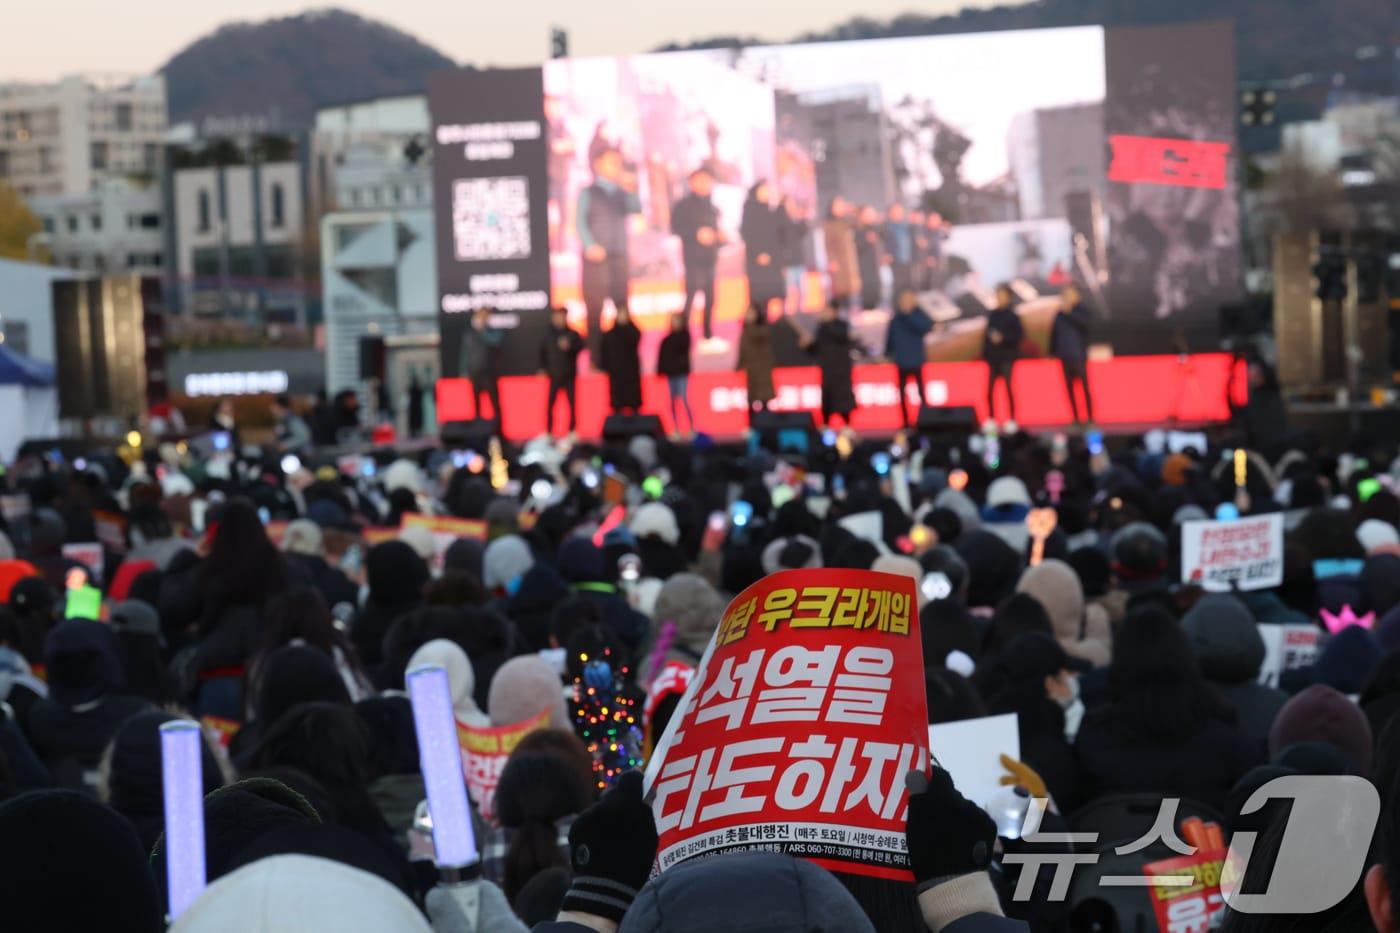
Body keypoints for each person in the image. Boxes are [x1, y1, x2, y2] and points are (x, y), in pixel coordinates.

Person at [1074, 606, 1247, 809]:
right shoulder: (1223, 736)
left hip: (1113, 839)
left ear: (1120, 662)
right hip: (1198, 839)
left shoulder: (1094, 734)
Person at [578, 145, 641, 359]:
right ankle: (596, 357)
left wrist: (632, 188)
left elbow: (636, 209)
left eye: (618, 162)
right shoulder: (589, 192)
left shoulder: (622, 192)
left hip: (618, 257)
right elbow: (580, 222)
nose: (616, 166)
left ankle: (625, 354)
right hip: (596, 259)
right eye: (611, 162)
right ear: (598, 165)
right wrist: (590, 245)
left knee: (621, 305)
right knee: (595, 309)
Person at [670, 168, 722, 342]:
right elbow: (676, 227)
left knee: (711, 298)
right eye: (700, 180)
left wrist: (718, 237)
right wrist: (697, 234)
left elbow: (717, 232)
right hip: (693, 259)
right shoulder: (683, 205)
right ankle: (681, 334)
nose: (704, 184)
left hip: (710, 259)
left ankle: (707, 334)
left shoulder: (713, 207)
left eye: (708, 180)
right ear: (691, 183)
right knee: (691, 297)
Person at [803, 301, 859, 428]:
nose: (823, 313)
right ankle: (826, 429)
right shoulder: (821, 328)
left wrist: (826, 323)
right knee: (827, 402)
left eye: (827, 310)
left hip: (841, 371)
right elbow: (816, 350)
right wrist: (807, 346)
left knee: (843, 402)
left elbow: (839, 335)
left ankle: (847, 429)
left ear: (834, 312)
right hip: (827, 370)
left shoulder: (842, 325)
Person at [885, 288, 933, 428]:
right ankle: (905, 422)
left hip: (916, 360)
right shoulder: (896, 319)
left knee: (921, 393)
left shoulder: (918, 315)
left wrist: (908, 315)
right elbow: (890, 338)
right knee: (901, 393)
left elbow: (925, 327)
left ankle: (926, 419)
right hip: (901, 361)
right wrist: (887, 353)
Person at [1049, 283, 1094, 425]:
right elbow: (1054, 333)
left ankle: (1090, 418)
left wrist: (1070, 313)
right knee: (1069, 387)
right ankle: (1075, 418)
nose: (1067, 297)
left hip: (1078, 355)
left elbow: (1086, 325)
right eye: (1065, 294)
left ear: (1077, 295)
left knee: (1084, 387)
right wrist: (1052, 350)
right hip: (1064, 355)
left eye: (1069, 294)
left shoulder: (1081, 310)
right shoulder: (1059, 313)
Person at [540, 307, 585, 438]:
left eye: (561, 316)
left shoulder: (573, 334)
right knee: (550, 405)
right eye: (556, 316)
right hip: (554, 375)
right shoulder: (548, 335)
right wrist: (543, 368)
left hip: (569, 375)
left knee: (572, 405)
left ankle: (572, 431)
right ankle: (548, 432)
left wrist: (570, 346)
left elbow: (581, 347)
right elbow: (542, 353)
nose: (559, 319)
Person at [740, 181, 784, 315]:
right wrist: (759, 253)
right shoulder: (749, 209)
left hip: (772, 259)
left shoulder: (770, 210)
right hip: (757, 259)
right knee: (758, 297)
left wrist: (781, 206)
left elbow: (779, 232)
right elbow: (746, 233)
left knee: (770, 296)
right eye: (764, 190)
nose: (767, 192)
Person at [983, 284, 1024, 427]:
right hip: (993, 359)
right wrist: (986, 355)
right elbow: (986, 337)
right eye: (998, 295)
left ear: (1008, 297)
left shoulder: (1013, 316)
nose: (1000, 298)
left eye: (1002, 295)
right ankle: (991, 419)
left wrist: (1003, 338)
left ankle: (1012, 420)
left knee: (1008, 389)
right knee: (989, 390)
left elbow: (1019, 336)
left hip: (1007, 358)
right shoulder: (992, 315)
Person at [460, 306, 505, 422]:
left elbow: (496, 342)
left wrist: (482, 331)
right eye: (480, 316)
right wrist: (464, 371)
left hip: (489, 373)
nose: (482, 319)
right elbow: (465, 354)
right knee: (476, 405)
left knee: (495, 405)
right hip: (475, 373)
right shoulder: (469, 334)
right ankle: (478, 434)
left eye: (485, 316)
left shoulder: (493, 332)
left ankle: (498, 434)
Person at [656, 313, 693, 438]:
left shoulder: (684, 336)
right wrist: (660, 370)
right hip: (671, 374)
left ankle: (691, 427)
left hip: (681, 373)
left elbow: (684, 348)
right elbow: (662, 357)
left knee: (683, 398)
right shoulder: (666, 340)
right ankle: (676, 428)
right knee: (672, 401)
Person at [737, 302, 776, 420]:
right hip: (750, 370)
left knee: (764, 400)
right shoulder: (745, 329)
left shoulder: (761, 329)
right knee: (750, 400)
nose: (748, 315)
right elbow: (743, 350)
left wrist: (749, 325)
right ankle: (752, 426)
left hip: (762, 370)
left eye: (751, 313)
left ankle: (766, 426)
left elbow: (759, 336)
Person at [601, 308, 643, 415]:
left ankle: (636, 419)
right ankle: (617, 420)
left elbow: (635, 338)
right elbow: (604, 351)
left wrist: (627, 326)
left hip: (631, 370)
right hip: (616, 371)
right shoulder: (610, 334)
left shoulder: (633, 331)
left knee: (633, 397)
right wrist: (604, 366)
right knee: (617, 399)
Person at [822, 196, 861, 310]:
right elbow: (828, 245)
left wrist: (853, 210)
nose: (841, 207)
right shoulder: (829, 224)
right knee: (840, 289)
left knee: (850, 289)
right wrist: (831, 260)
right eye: (838, 205)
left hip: (849, 260)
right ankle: (840, 313)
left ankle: (849, 312)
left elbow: (858, 224)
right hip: (838, 261)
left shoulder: (845, 221)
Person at [780, 196, 811, 316]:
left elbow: (803, 232)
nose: (792, 207)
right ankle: (787, 315)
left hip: (799, 261)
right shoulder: (780, 221)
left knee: (803, 291)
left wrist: (803, 218)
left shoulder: (795, 221)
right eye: (789, 204)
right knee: (788, 292)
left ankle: (801, 313)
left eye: (793, 204)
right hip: (787, 262)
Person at [855, 205, 884, 311]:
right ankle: (866, 309)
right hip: (863, 263)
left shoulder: (874, 228)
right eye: (868, 214)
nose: (871, 217)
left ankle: (874, 307)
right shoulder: (857, 228)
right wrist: (866, 240)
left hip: (874, 263)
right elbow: (855, 246)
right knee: (867, 287)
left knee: (876, 286)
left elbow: (883, 237)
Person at [883, 203, 915, 297]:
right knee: (897, 288)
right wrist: (886, 253)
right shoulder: (886, 227)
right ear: (890, 213)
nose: (900, 213)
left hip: (906, 261)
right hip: (894, 261)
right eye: (897, 211)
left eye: (901, 211)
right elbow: (883, 243)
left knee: (907, 287)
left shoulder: (906, 226)